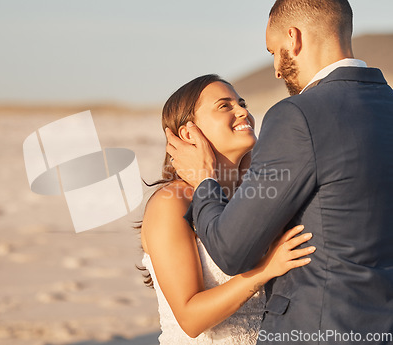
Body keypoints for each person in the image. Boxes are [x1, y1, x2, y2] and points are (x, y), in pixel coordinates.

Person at [165, 1, 393, 344]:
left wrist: (205, 182)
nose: (276, 68)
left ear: (294, 38)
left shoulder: (298, 115)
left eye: (274, 51)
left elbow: (231, 251)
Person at [140, 74, 315, 345]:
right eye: (225, 106)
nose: (243, 111)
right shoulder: (172, 203)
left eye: (241, 103)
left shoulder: (256, 196)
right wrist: (266, 269)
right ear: (189, 133)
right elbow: (190, 318)